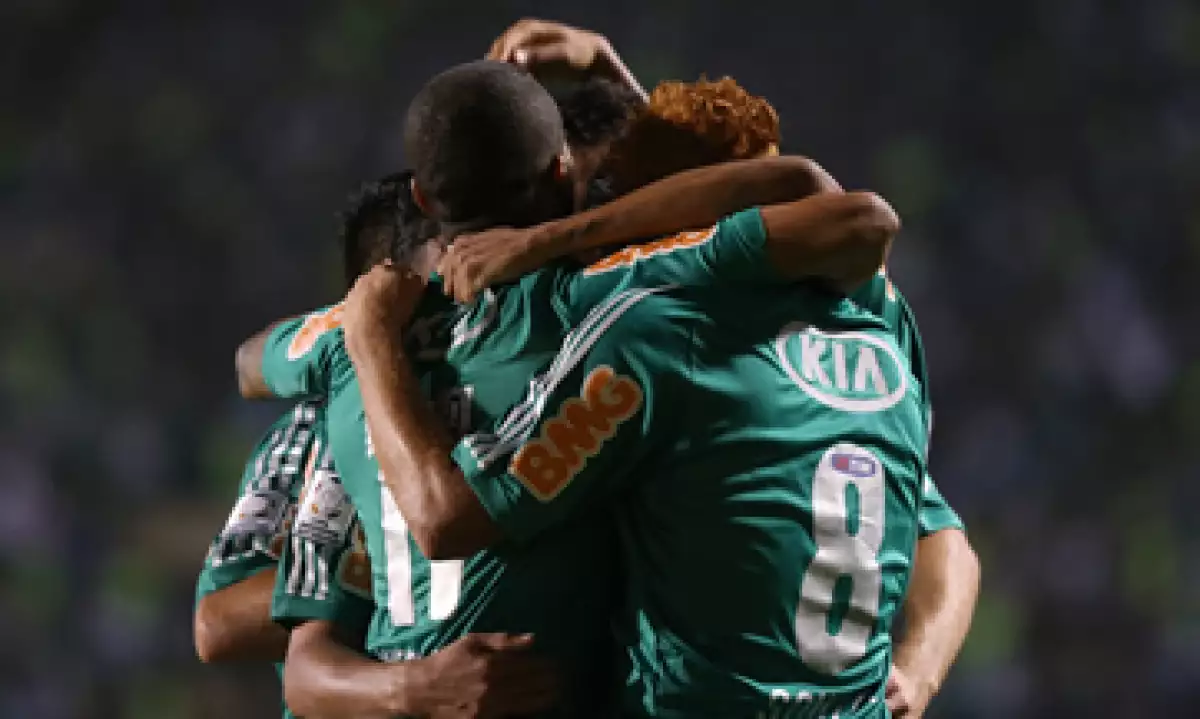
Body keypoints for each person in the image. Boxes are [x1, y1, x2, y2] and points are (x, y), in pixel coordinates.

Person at [345, 55, 924, 716]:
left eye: (624, 192)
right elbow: (949, 541)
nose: (610, 205)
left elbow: (447, 518)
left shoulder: (646, 333)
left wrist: (367, 339)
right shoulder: (884, 336)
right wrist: (921, 672)